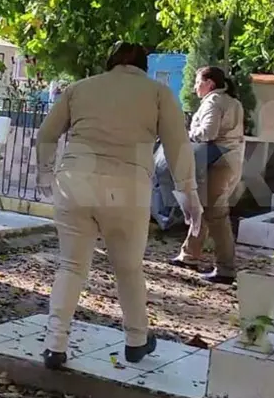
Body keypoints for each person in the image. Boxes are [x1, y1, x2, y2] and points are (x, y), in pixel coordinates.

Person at [35, 42, 201, 370]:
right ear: (144, 66)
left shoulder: (79, 89)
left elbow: (46, 134)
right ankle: (136, 340)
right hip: (128, 187)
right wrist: (189, 196)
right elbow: (178, 146)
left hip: (74, 182)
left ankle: (55, 345)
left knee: (71, 266)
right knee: (128, 268)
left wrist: (45, 174)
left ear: (109, 63)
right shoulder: (158, 93)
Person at [170, 66, 245, 284]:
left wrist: (187, 134)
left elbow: (208, 133)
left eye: (197, 82)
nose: (195, 87)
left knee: (216, 214)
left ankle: (226, 269)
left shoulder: (213, 101)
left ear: (209, 83)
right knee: (204, 209)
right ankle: (189, 255)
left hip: (217, 162)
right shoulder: (233, 102)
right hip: (231, 160)